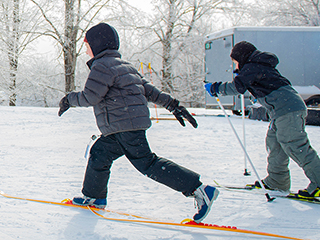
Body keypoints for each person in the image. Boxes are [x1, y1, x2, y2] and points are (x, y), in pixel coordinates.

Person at [58, 22, 218, 223]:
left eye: (87, 43)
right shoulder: (125, 66)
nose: (86, 48)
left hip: (124, 125)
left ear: (97, 44)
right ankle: (94, 196)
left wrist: (68, 99)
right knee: (100, 153)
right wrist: (173, 105)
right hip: (122, 126)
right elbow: (149, 91)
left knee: (147, 163)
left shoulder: (102, 66)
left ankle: (198, 189)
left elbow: (91, 96)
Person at [205, 41, 320, 199]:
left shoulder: (252, 66)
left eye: (235, 61)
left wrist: (216, 88)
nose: (235, 65)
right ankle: (277, 181)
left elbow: (237, 87)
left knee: (295, 145)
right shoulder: (256, 65)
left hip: (288, 109)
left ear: (241, 57)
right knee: (275, 143)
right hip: (281, 110)